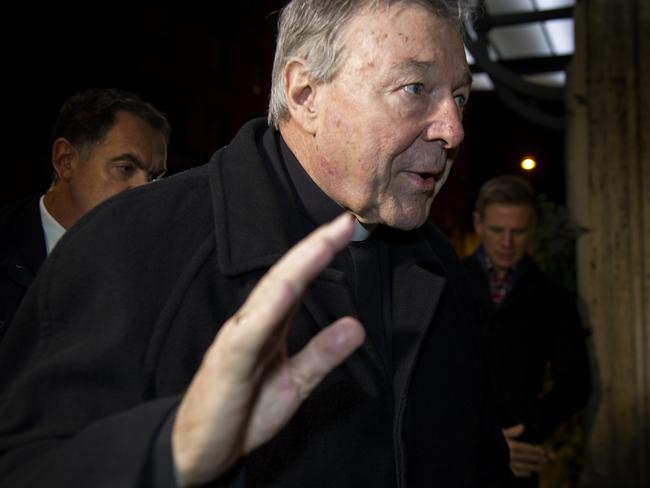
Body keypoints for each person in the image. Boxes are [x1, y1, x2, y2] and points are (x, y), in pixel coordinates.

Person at [0, 1, 513, 486]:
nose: (453, 129)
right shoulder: (129, 245)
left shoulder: (440, 264)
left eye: (460, 97)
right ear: (305, 93)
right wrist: (170, 450)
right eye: (416, 88)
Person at [0, 88, 170, 339]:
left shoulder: (163, 270)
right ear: (65, 160)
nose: (145, 191)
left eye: (155, 177)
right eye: (125, 168)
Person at [463, 175, 592, 486]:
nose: (507, 243)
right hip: (458, 451)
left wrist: (526, 431)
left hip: (519, 458)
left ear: (532, 229)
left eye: (518, 232)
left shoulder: (555, 297)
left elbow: (575, 384)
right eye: (497, 230)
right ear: (479, 224)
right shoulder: (448, 283)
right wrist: (482, 439)